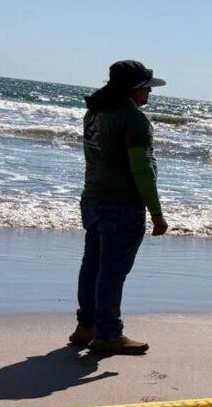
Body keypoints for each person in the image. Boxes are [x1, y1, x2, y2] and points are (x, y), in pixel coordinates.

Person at [69, 60, 169, 355]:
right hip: (122, 203)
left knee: (92, 265)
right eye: (147, 88)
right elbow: (141, 169)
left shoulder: (94, 113)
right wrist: (157, 212)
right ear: (134, 89)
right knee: (112, 271)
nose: (149, 94)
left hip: (93, 197)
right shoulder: (134, 120)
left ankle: (85, 326)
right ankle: (108, 332)